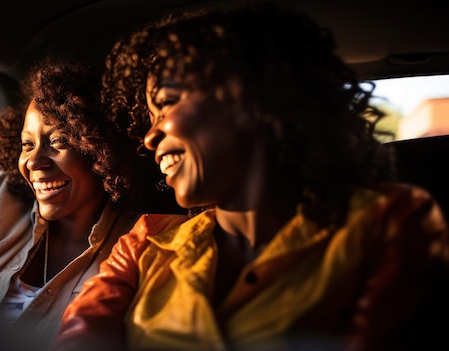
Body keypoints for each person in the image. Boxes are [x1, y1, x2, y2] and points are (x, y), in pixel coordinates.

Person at [52, 2, 449, 351]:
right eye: (148, 119)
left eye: (168, 105)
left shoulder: (389, 222)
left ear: (254, 101)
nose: (150, 137)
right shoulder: (143, 244)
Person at [0, 58, 179, 350]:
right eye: (28, 145)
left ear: (101, 150)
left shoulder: (140, 242)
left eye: (58, 142)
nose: (35, 162)